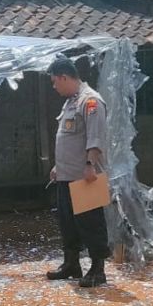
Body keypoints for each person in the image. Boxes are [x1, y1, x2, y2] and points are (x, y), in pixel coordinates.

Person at [45, 56, 111, 288]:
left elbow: (96, 136)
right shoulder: (71, 101)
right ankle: (71, 263)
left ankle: (97, 269)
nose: (54, 87)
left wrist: (90, 164)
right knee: (67, 222)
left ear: (65, 77)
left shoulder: (90, 100)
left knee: (91, 222)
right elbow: (68, 137)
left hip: (86, 174)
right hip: (66, 173)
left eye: (55, 82)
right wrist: (58, 166)